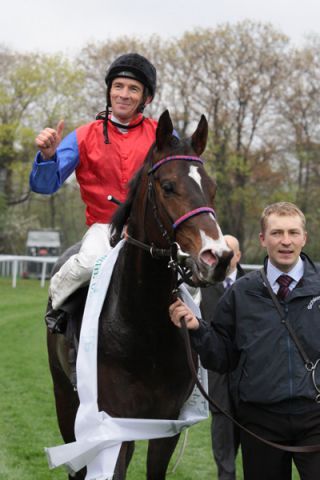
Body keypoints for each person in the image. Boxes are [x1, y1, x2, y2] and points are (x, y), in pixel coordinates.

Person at [170, 202, 320, 480]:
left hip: (315, 417)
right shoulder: (240, 294)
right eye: (276, 233)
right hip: (260, 421)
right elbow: (222, 357)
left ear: (304, 238)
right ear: (263, 239)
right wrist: (198, 329)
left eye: (293, 232)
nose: (285, 241)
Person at [29, 53, 158, 331]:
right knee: (90, 264)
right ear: (109, 91)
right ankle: (57, 302)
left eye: (133, 88)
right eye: (118, 86)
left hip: (152, 230)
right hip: (104, 227)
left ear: (146, 98)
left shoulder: (162, 137)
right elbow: (44, 186)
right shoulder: (83, 135)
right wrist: (48, 157)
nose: (124, 94)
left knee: (192, 273)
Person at [200, 234, 243, 480]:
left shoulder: (257, 284)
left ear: (238, 256)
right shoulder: (202, 285)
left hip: (252, 383)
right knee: (224, 456)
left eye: (230, 251)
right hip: (218, 384)